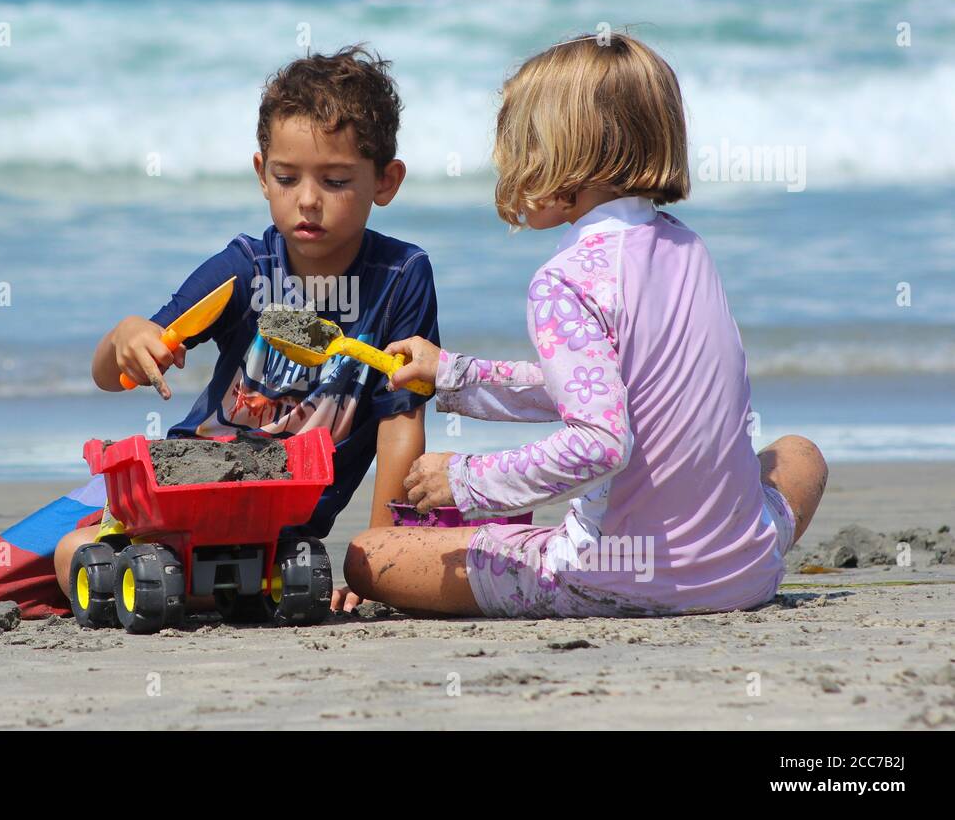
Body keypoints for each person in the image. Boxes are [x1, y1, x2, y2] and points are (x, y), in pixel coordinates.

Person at [346, 33, 828, 618]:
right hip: (746, 569)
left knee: (369, 556)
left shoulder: (566, 280)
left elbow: (600, 443)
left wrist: (469, 481)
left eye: (519, 146)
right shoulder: (687, 247)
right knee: (799, 454)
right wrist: (453, 376)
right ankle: (717, 558)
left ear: (565, 158)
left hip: (620, 576)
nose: (507, 165)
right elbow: (616, 385)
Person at [0, 46, 439, 617]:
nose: (308, 200)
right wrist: (125, 337)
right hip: (177, 494)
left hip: (280, 522)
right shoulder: (245, 270)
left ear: (386, 180)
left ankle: (171, 586)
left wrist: (378, 554)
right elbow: (115, 375)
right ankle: (120, 557)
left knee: (157, 578)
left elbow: (401, 420)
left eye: (334, 180)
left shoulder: (400, 277)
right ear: (262, 175)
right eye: (287, 177)